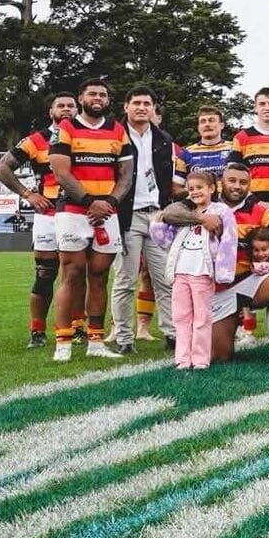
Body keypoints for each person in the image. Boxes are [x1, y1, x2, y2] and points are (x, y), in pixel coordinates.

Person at [48, 79, 135, 361]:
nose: (98, 98)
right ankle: (63, 342)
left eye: (103, 95)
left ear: (108, 100)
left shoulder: (117, 130)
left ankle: (96, 341)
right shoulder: (66, 128)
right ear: (81, 97)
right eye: (92, 94)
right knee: (72, 274)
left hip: (107, 212)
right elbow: (61, 172)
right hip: (74, 211)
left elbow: (126, 175)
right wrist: (89, 202)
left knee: (99, 276)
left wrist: (109, 203)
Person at [0, 91, 76, 348]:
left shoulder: (84, 137)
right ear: (50, 112)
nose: (66, 109)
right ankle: (37, 332)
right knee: (45, 274)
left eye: (71, 106)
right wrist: (28, 194)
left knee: (77, 273)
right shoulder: (37, 140)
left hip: (77, 213)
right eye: (60, 106)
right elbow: (1, 168)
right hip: (48, 214)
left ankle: (78, 328)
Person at [111, 87, 184, 354]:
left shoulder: (163, 139)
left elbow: (169, 181)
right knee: (125, 279)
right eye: (137, 103)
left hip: (156, 215)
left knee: (165, 279)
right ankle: (124, 337)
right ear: (126, 106)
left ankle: (173, 333)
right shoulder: (115, 134)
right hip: (127, 215)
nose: (142, 107)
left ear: (153, 108)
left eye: (147, 103)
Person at [210, 160, 269, 364]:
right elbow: (174, 213)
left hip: (248, 281)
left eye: (243, 182)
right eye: (231, 180)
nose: (237, 186)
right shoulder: (206, 205)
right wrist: (201, 219)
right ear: (220, 182)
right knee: (219, 356)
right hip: (216, 289)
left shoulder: (259, 211)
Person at [148, 168, 236, 371]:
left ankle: (200, 359)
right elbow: (165, 240)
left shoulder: (221, 211)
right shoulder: (184, 213)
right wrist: (157, 224)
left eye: (200, 188)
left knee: (202, 317)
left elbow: (229, 240)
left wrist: (224, 271)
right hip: (180, 272)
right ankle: (182, 359)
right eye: (191, 189)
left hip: (202, 272)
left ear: (212, 188)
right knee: (181, 317)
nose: (195, 192)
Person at [183, 105, 236, 181]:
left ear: (222, 125)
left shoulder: (234, 148)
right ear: (198, 127)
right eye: (203, 121)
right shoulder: (187, 152)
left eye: (211, 120)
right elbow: (178, 187)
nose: (207, 124)